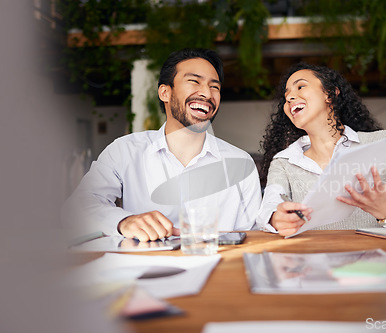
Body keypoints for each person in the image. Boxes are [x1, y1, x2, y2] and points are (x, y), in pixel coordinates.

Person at [63, 48, 262, 241]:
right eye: (194, 81)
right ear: (165, 93)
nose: (207, 94)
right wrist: (123, 221)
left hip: (220, 268)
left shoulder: (241, 163)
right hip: (144, 270)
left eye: (214, 87)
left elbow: (255, 236)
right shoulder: (124, 151)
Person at [257, 63, 386, 236]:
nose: (289, 98)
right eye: (286, 95)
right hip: (313, 262)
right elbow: (269, 209)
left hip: (376, 262)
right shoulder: (284, 161)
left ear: (331, 94)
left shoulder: (385, 144)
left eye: (300, 86)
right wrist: (276, 219)